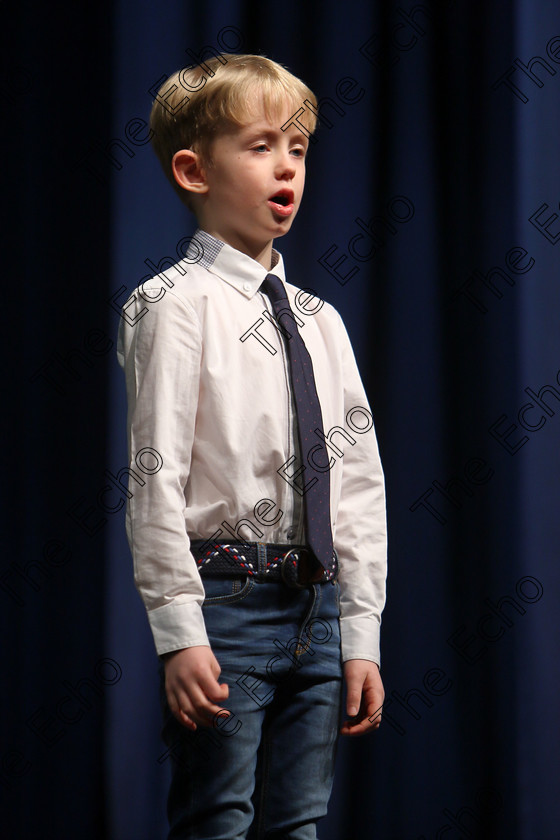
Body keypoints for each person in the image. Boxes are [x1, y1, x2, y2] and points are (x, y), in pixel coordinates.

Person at [117, 52, 387, 840]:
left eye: (298, 148)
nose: (287, 167)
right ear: (195, 171)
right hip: (226, 603)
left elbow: (359, 486)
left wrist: (359, 636)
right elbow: (154, 478)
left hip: (320, 608)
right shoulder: (173, 305)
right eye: (261, 145)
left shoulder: (321, 320)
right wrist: (179, 629)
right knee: (218, 819)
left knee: (299, 822)